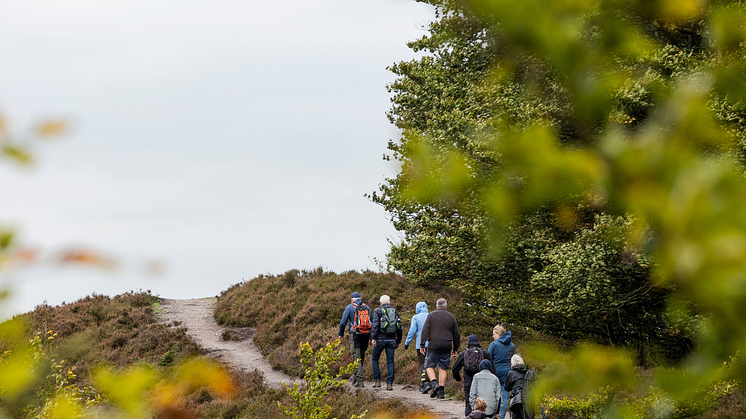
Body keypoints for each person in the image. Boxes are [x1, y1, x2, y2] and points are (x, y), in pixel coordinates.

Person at [420, 297, 460, 399]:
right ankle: (441, 392)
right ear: (446, 306)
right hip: (447, 345)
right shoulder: (451, 317)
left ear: (436, 306)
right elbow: (456, 334)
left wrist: (422, 344)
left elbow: (425, 330)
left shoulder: (431, 315)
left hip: (433, 344)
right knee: (443, 367)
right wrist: (455, 348)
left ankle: (434, 384)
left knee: (429, 366)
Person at [453, 335, 495, 416]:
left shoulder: (464, 354)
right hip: (483, 384)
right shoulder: (485, 353)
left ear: (468, 342)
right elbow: (492, 369)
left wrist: (458, 379)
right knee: (482, 404)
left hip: (468, 382)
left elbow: (454, 368)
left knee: (469, 403)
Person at [370, 294, 402, 390]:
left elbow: (375, 325)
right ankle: (389, 384)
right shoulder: (394, 311)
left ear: (380, 302)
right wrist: (398, 340)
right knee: (390, 362)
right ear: (389, 302)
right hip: (392, 340)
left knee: (375, 359)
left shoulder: (377, 310)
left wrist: (373, 338)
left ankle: (377, 381)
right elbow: (399, 327)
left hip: (380, 340)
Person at [488, 324, 516, 419]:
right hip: (507, 374)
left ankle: (493, 416)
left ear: (498, 334)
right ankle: (501, 417)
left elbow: (488, 358)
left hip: (495, 373)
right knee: (504, 397)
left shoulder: (494, 344)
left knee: (493, 397)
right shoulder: (511, 346)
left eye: (494, 334)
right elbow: (515, 359)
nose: (493, 336)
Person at [404, 301, 430, 393]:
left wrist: (407, 343)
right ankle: (427, 382)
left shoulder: (416, 317)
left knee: (422, 364)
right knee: (430, 364)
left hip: (420, 345)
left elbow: (412, 331)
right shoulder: (431, 316)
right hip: (431, 344)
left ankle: (425, 383)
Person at [348, 296, 372, 387]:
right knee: (361, 356)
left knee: (357, 357)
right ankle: (355, 377)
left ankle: (360, 380)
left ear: (352, 300)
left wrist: (340, 334)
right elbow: (372, 321)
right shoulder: (367, 308)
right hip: (366, 335)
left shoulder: (349, 308)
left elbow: (343, 322)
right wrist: (371, 338)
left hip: (356, 335)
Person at [504, 354, 535, 419]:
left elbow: (506, 387)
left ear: (512, 364)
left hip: (516, 401)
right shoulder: (530, 373)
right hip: (529, 401)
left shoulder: (511, 373)